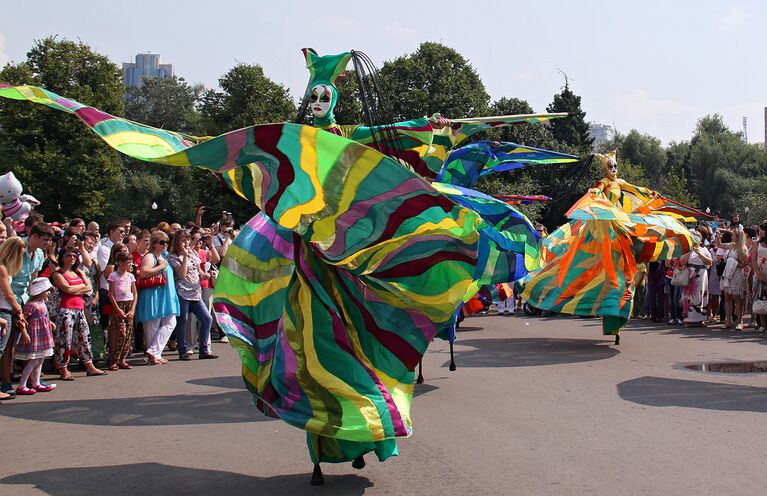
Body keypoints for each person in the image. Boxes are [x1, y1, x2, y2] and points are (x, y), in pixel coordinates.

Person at [0, 222, 53, 397]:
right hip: (7, 299)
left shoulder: (38, 254)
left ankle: (30, 379)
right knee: (6, 345)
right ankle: (6, 382)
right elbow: (6, 278)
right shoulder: (16, 247)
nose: (47, 243)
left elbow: (33, 282)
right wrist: (17, 308)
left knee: (21, 342)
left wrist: (31, 304)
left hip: (22, 300)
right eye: (45, 239)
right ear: (34, 236)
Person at [52, 246, 105, 380]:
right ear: (62, 257)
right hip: (65, 310)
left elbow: (89, 287)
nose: (71, 258)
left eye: (74, 256)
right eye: (68, 256)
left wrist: (75, 289)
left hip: (79, 309)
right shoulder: (58, 274)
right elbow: (67, 289)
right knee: (65, 340)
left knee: (84, 337)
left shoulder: (79, 272)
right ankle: (63, 367)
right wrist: (79, 288)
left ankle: (89, 365)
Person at [168, 230, 217, 360]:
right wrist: (184, 256)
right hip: (183, 292)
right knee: (183, 321)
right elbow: (182, 274)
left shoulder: (193, 252)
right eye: (183, 240)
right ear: (177, 242)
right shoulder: (173, 257)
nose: (186, 243)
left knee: (207, 319)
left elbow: (198, 268)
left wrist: (203, 274)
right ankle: (182, 350)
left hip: (196, 292)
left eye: (187, 240)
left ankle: (203, 350)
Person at [136, 231, 178, 365]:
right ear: (154, 244)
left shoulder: (164, 256)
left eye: (166, 242)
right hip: (154, 294)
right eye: (161, 242)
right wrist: (161, 267)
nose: (165, 245)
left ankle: (154, 352)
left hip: (165, 295)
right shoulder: (150, 256)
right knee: (152, 327)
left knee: (170, 323)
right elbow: (144, 272)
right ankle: (154, 353)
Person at [14, 277, 56, 395]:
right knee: (33, 361)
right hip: (35, 336)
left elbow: (44, 317)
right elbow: (23, 320)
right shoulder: (31, 305)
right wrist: (24, 333)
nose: (48, 293)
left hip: (43, 335)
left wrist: (50, 323)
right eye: (47, 290)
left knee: (40, 360)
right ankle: (22, 385)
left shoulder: (42, 303)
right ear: (40, 291)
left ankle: (36, 382)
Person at [0, 237, 27, 400]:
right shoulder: (2, 268)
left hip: (7, 311)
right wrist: (19, 310)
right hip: (4, 311)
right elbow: (9, 294)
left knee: (4, 350)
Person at [107, 251, 137, 370]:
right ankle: (113, 359)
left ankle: (122, 359)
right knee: (120, 333)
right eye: (128, 263)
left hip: (129, 304)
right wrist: (117, 309)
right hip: (118, 305)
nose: (130, 265)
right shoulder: (113, 276)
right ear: (120, 263)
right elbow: (111, 294)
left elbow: (135, 293)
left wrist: (133, 309)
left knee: (128, 334)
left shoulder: (130, 276)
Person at [680, 227, 713, 326]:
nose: (696, 238)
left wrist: (700, 254)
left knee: (701, 295)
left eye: (698, 236)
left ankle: (701, 319)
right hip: (690, 274)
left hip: (702, 273)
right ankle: (688, 320)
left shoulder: (704, 250)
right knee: (689, 297)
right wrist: (690, 250)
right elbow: (682, 261)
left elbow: (709, 262)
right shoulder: (687, 249)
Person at [96, 222, 126, 329]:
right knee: (106, 320)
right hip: (107, 291)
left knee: (118, 322)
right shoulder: (104, 249)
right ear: (111, 232)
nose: (123, 233)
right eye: (121, 231)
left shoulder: (123, 247)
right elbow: (107, 273)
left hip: (120, 291)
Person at [720, 229, 748, 330]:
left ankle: (739, 321)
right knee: (727, 297)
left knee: (737, 298)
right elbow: (719, 245)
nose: (732, 237)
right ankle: (728, 321)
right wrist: (718, 236)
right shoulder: (731, 245)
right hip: (728, 274)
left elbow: (744, 264)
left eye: (733, 235)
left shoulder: (742, 249)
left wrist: (733, 262)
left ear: (738, 237)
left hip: (736, 274)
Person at [750, 223, 767, 332]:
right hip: (759, 274)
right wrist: (760, 275)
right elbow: (753, 261)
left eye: (761, 230)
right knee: (760, 299)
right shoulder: (757, 244)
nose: (759, 233)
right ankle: (763, 325)